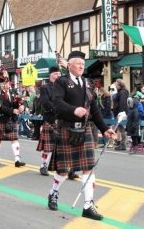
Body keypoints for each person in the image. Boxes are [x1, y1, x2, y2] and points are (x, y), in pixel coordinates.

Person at [49, 51, 115, 220]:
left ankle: (88, 205)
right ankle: (54, 192)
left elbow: (95, 109)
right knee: (63, 170)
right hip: (66, 129)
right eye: (78, 63)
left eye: (83, 63)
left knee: (89, 167)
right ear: (69, 65)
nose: (81, 66)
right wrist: (73, 109)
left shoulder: (88, 83)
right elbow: (56, 102)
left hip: (84, 130)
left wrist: (104, 129)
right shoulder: (61, 82)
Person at [0, 77, 25, 167]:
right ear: (2, 85)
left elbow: (19, 101)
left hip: (12, 120)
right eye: (7, 83)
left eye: (9, 83)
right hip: (1, 120)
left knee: (14, 139)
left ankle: (17, 159)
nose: (9, 85)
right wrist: (12, 111)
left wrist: (21, 106)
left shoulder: (13, 93)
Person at [36, 66, 61, 176]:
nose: (58, 76)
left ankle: (65, 168)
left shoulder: (62, 87)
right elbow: (45, 102)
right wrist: (57, 111)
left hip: (62, 120)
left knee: (63, 146)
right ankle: (43, 165)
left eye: (59, 74)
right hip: (50, 119)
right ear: (50, 75)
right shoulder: (45, 88)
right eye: (56, 74)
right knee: (48, 147)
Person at [113, 79, 129, 150]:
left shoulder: (122, 92)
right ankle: (123, 144)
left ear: (119, 84)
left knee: (122, 129)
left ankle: (123, 144)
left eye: (116, 85)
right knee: (121, 128)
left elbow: (122, 103)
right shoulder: (121, 92)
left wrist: (120, 113)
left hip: (121, 113)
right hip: (120, 112)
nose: (115, 86)